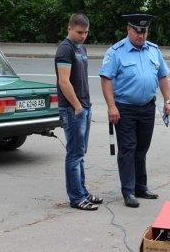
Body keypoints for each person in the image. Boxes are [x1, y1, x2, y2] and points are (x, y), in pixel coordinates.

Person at [99, 14, 170, 208]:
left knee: (142, 148)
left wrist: (168, 101)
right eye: (138, 32)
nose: (141, 36)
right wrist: (111, 106)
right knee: (128, 149)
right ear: (128, 30)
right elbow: (106, 79)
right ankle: (129, 191)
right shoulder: (116, 51)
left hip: (147, 107)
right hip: (125, 108)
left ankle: (141, 186)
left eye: (144, 32)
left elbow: (163, 76)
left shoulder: (154, 50)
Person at [55, 13, 103, 211]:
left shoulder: (81, 48)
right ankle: (76, 198)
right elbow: (63, 81)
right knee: (74, 154)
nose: (83, 36)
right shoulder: (65, 50)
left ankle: (82, 191)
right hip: (72, 108)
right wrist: (76, 106)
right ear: (69, 29)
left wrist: (86, 105)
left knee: (80, 153)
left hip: (84, 106)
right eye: (79, 32)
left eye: (86, 32)